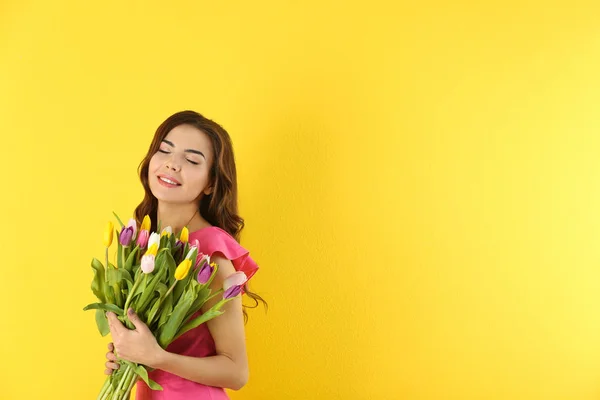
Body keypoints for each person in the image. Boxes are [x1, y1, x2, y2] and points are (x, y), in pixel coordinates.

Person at [103, 110, 266, 399]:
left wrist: (155, 357)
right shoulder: (144, 244)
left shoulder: (211, 254)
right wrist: (126, 356)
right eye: (164, 150)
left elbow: (237, 372)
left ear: (211, 184)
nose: (172, 164)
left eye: (191, 160)